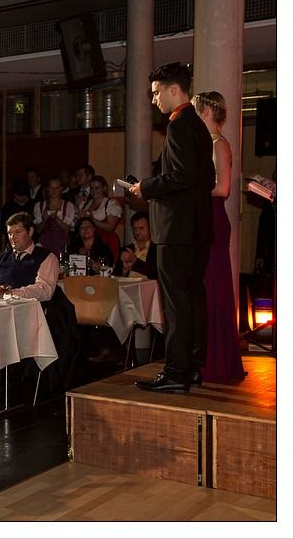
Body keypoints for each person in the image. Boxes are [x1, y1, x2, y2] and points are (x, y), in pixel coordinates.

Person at [129, 62, 215, 394]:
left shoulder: (179, 125)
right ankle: (191, 367)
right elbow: (203, 179)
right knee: (192, 299)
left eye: (156, 93)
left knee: (176, 305)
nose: (154, 100)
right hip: (196, 229)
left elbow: (182, 176)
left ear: (174, 90)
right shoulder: (199, 126)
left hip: (176, 231)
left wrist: (146, 187)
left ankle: (176, 372)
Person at [0, 212, 78, 396]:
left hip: (34, 316)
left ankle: (15, 386)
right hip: (2, 316)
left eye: (18, 232)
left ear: (30, 231)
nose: (13, 238)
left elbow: (44, 290)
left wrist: (12, 293)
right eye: (10, 233)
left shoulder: (46, 257)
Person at [193, 90, 246, 383]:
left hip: (213, 218)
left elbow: (223, 189)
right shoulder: (205, 144)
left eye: (195, 110)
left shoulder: (219, 145)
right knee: (205, 289)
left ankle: (218, 361)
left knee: (214, 288)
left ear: (205, 112)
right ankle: (207, 358)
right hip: (204, 216)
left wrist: (191, 189)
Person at [76, 175, 122, 261]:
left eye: (97, 188)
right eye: (92, 188)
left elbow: (110, 227)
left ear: (104, 188)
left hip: (106, 241)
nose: (94, 191)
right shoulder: (87, 203)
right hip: (87, 242)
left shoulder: (111, 204)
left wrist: (92, 219)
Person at [33, 177, 75, 255]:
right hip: (44, 244)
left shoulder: (68, 206)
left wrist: (56, 219)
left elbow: (67, 230)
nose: (53, 190)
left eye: (56, 188)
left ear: (61, 189)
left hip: (61, 244)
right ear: (47, 189)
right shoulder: (39, 206)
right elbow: (38, 230)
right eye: (51, 187)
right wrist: (44, 219)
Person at [117, 211, 157, 279]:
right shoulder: (126, 249)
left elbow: (156, 273)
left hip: (148, 285)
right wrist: (125, 270)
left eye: (141, 228)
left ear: (150, 228)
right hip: (127, 285)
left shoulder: (156, 249)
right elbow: (114, 276)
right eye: (135, 228)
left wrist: (134, 260)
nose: (137, 232)